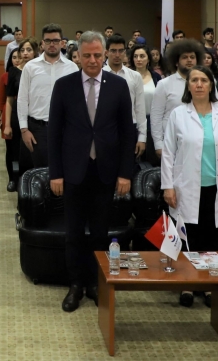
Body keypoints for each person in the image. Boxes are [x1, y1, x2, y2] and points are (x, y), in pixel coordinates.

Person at [48, 31, 136, 312]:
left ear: (106, 54)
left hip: (106, 171)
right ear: (78, 56)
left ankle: (97, 283)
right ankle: (75, 285)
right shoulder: (64, 85)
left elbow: (127, 133)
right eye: (87, 55)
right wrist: (55, 173)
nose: (93, 60)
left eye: (98, 55)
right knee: (73, 232)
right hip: (72, 172)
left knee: (100, 232)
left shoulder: (119, 85)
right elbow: (54, 133)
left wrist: (125, 173)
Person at [162, 65, 218, 308]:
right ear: (188, 86)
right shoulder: (178, 114)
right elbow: (168, 153)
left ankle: (208, 285)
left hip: (217, 188)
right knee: (189, 236)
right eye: (194, 80)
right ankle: (187, 284)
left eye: (204, 80)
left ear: (211, 85)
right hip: (186, 187)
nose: (199, 84)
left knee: (212, 236)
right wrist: (168, 186)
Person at [18, 24, 79, 169]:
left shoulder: (72, 68)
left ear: (62, 43)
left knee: (65, 170)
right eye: (48, 41)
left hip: (65, 128)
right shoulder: (30, 67)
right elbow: (22, 99)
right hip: (38, 129)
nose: (52, 44)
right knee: (42, 172)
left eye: (56, 41)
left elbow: (78, 102)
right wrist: (24, 130)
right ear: (42, 43)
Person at [151, 39, 207, 159]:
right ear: (176, 62)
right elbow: (156, 116)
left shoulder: (207, 82)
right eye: (185, 57)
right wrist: (158, 144)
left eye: (192, 57)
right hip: (172, 142)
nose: (189, 60)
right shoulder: (164, 84)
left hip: (202, 140)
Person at [103, 35, 147, 158]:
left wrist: (142, 137)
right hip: (105, 129)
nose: (117, 54)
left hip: (129, 128)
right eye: (113, 51)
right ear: (106, 52)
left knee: (127, 170)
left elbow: (140, 108)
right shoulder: (100, 75)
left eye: (120, 51)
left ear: (125, 52)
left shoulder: (135, 76)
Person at [6, 40, 38, 178]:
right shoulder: (14, 71)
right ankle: (13, 178)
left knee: (32, 148)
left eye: (29, 50)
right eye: (23, 50)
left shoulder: (40, 70)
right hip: (17, 114)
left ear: (35, 52)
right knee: (14, 148)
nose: (25, 53)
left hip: (35, 114)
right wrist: (7, 124)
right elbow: (9, 100)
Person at [0, 48, 22, 192]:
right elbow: (5, 100)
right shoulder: (11, 74)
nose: (18, 59)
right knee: (12, 149)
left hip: (32, 114)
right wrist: (3, 122)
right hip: (14, 113)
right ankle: (12, 179)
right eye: (14, 57)